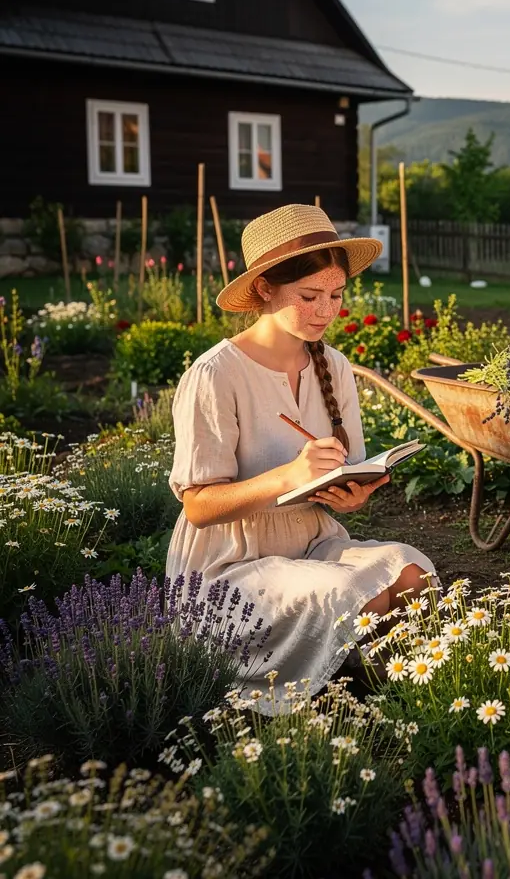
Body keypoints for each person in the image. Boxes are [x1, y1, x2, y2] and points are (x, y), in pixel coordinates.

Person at [168, 204, 434, 710]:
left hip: (310, 543)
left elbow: (339, 474)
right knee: (352, 593)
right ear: (265, 287)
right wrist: (286, 475)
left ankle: (387, 696)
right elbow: (198, 508)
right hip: (230, 566)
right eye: (309, 296)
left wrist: (349, 496)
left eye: (335, 295)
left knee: (410, 574)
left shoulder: (334, 366)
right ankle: (358, 703)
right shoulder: (215, 375)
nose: (326, 310)